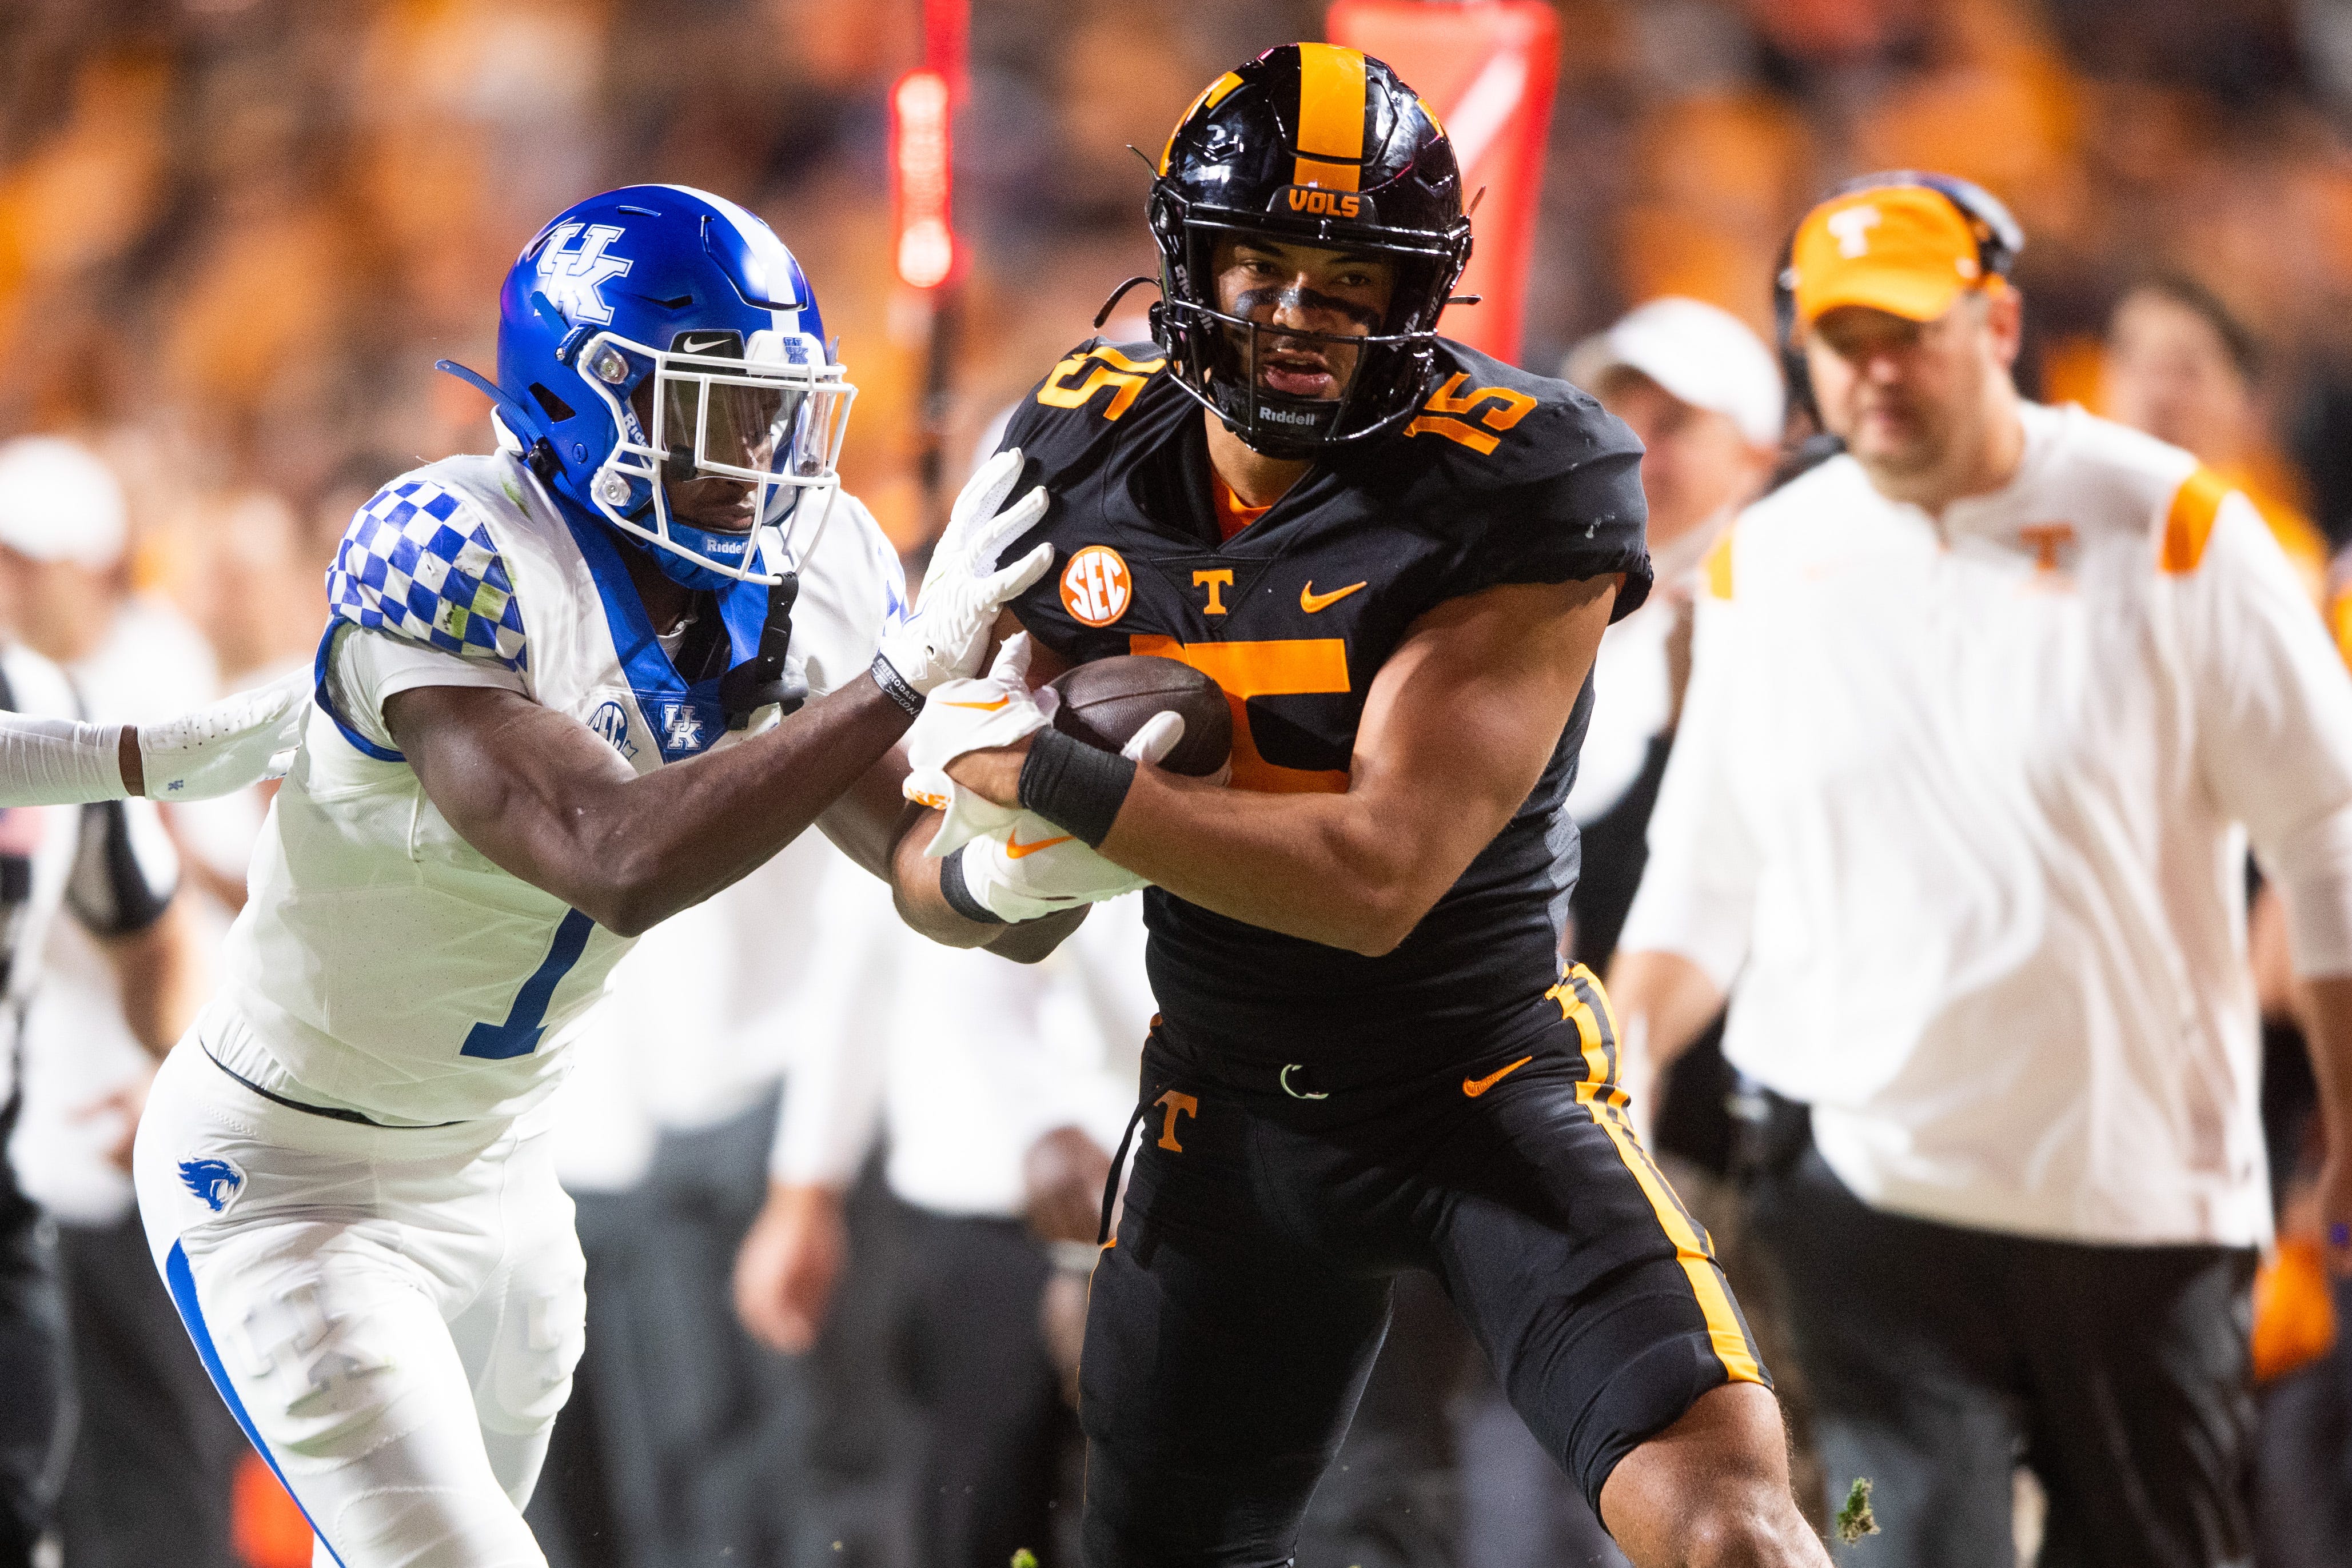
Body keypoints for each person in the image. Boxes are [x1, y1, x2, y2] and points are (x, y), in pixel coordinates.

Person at [892, 46, 1825, 1568]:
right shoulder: (1075, 446)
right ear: (1191, 261)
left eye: (1352, 275)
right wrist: (994, 859)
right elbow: (940, 893)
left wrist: (1056, 775)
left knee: (1728, 1519)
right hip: (1220, 1101)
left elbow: (1374, 872)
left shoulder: (1524, 471)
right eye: (1264, 263)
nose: (1302, 317)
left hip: (1478, 1083)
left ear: (1420, 294)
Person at [126, 183, 1066, 1568]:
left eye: (775, 410)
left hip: (501, 1170)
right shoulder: (455, 546)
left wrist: (1071, 828)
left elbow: (932, 877)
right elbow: (610, 858)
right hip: (289, 1174)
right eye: (718, 411)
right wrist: (898, 673)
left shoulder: (788, 570)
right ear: (587, 399)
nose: (763, 456)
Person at [1610, 173, 2352, 1567]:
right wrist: (1628, 1050)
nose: (1870, 370)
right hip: (1865, 1203)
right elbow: (1707, 866)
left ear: (1998, 319)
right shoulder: (1770, 561)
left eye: (1906, 331)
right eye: (1837, 338)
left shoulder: (2175, 528)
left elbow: (2325, 834)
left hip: (2139, 1204)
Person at [1457, 297, 1787, 1568]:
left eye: (1676, 421)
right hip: (1598, 1120)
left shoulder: (1805, 616)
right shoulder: (1566, 614)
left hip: (1761, 1132)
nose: (1641, 447)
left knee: (1776, 1485)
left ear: (1758, 452)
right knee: (1580, 1474)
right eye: (1621, 416)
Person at [739, 864, 1149, 1568]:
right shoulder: (917, 762)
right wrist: (803, 1190)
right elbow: (860, 963)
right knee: (976, 1509)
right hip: (974, 1206)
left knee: (1162, 1513)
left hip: (1159, 1199)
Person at [2101, 272, 2331, 603]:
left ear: (2249, 404)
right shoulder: (2058, 530)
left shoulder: (2279, 556)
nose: (2159, 395)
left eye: (2185, 371)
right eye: (2139, 365)